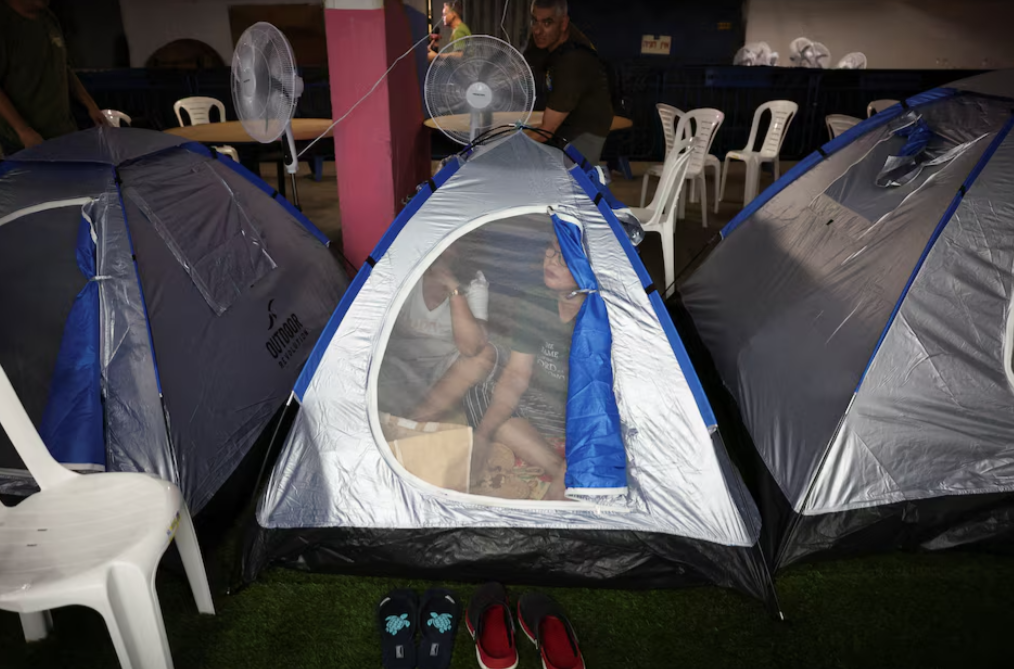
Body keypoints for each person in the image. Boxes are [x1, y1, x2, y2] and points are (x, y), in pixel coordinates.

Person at [465, 237, 583, 501]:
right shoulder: (538, 300)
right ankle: (558, 468)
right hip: (542, 407)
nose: (551, 259)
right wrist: (482, 437)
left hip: (582, 415)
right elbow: (517, 374)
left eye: (563, 256)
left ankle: (563, 468)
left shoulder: (599, 314)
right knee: (480, 393)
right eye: (551, 249)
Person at [379, 244, 495, 423]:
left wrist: (453, 287)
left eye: (450, 245)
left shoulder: (473, 281)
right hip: (398, 367)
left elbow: (472, 348)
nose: (441, 250)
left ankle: (410, 425)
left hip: (443, 373)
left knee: (484, 355)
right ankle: (405, 425)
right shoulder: (405, 273)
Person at [0, 0, 107, 157]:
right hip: (26, 141)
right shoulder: (5, 22)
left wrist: (91, 106)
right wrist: (23, 130)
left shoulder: (48, 18)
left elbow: (62, 67)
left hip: (64, 132)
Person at [523, 0, 613, 164]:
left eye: (547, 22)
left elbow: (547, 130)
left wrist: (510, 148)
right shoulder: (547, 45)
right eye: (534, 21)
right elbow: (521, 69)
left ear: (563, 23)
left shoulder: (573, 61)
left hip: (582, 135)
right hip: (565, 129)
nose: (537, 30)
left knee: (519, 166)